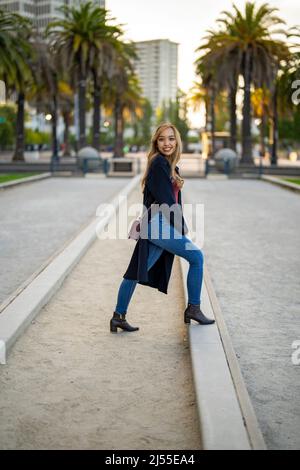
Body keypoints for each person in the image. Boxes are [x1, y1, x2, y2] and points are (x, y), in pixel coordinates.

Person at [110, 122, 215, 333]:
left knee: (136, 272)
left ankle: (118, 316)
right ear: (156, 142)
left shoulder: (168, 165)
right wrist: (181, 229)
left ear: (177, 141)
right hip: (159, 224)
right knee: (197, 257)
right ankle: (193, 308)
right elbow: (167, 202)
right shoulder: (159, 163)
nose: (167, 143)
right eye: (162, 139)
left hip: (157, 224)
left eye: (171, 138)